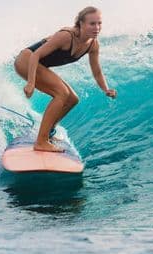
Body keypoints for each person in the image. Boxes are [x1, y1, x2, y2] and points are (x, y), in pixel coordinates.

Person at [13, 6, 117, 153]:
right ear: (80, 23)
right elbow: (36, 55)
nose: (97, 27)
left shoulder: (93, 45)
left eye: (99, 23)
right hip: (27, 60)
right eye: (92, 23)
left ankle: (48, 132)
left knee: (72, 99)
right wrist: (30, 83)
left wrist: (106, 89)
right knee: (61, 93)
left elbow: (97, 71)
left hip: (40, 65)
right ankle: (41, 142)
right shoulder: (66, 36)